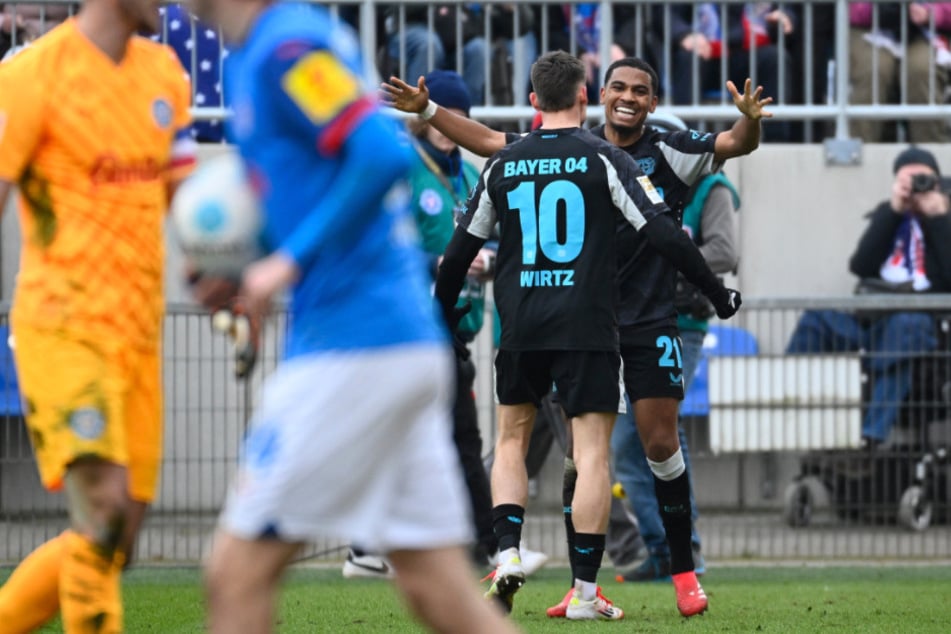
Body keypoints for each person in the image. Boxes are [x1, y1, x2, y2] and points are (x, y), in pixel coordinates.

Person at [383, 53, 767, 618]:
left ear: (653, 102)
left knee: (655, 445)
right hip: (587, 321)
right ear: (595, 95)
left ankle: (683, 571)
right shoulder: (589, 151)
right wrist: (433, 111)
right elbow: (491, 140)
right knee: (585, 454)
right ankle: (583, 585)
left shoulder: (668, 148)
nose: (629, 96)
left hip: (637, 321)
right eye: (619, 86)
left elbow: (736, 143)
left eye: (641, 89)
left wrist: (752, 120)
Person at [185, 2, 521, 633]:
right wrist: (246, 265)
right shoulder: (263, 53)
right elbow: (311, 187)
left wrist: (283, 265)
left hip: (355, 347)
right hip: (394, 344)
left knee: (235, 575)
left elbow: (377, 153)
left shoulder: (288, 47)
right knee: (438, 588)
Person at [0, 0, 196, 629]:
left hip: (139, 335)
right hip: (62, 331)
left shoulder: (166, 73)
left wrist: (222, 273)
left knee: (117, 539)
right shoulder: (30, 76)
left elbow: (185, 196)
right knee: (103, 508)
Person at [340, 69, 548, 580]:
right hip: (408, 326)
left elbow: (494, 238)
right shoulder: (403, 168)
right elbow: (376, 244)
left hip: (455, 326)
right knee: (458, 434)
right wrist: (437, 264)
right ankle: (488, 545)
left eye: (462, 113)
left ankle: (373, 544)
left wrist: (490, 259)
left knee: (428, 437)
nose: (453, 122)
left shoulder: (468, 172)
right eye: (444, 111)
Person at [614, 164, 740, 582]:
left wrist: (661, 258)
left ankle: (687, 549)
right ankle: (660, 548)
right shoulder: (630, 180)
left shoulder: (709, 188)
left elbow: (725, 251)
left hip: (682, 321)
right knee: (625, 442)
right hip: (631, 319)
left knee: (655, 431)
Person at [786, 146, 951, 448]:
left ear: (938, 182)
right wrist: (893, 211)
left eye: (922, 180)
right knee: (816, 321)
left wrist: (939, 216)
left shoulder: (945, 218)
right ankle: (785, 414)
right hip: (873, 321)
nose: (915, 187)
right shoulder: (888, 214)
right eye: (907, 180)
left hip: (922, 326)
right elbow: (861, 266)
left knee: (905, 328)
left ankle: (872, 436)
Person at [653, 2, 794, 141]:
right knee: (687, 60)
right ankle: (687, 140)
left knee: (775, 58)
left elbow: (785, 8)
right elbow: (665, 12)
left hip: (742, 51)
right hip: (700, 53)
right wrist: (684, 34)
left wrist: (785, 16)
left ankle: (776, 140)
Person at [848, 2, 951, 143]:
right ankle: (860, 154)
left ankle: (929, 155)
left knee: (921, 70)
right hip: (868, 27)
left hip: (929, 30)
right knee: (874, 70)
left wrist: (932, 13)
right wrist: (875, 11)